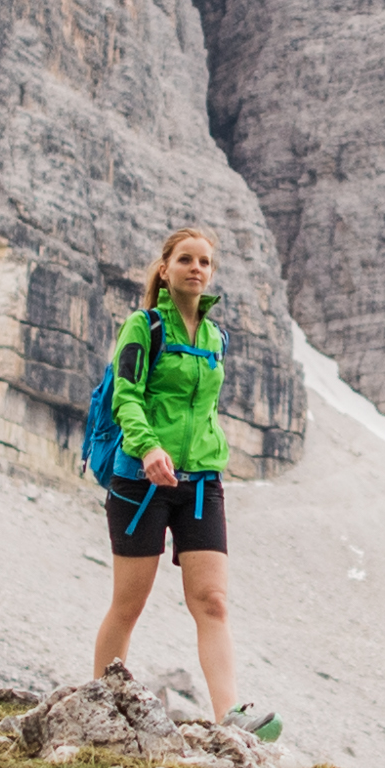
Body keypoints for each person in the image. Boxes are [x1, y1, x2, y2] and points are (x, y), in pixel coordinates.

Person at [85, 224, 274, 740]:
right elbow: (126, 395)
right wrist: (148, 448)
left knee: (212, 601)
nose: (197, 269)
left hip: (200, 484)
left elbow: (204, 407)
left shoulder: (216, 337)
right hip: (139, 481)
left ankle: (229, 715)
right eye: (186, 260)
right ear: (164, 271)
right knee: (129, 603)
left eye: (205, 262)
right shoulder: (142, 328)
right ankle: (101, 705)